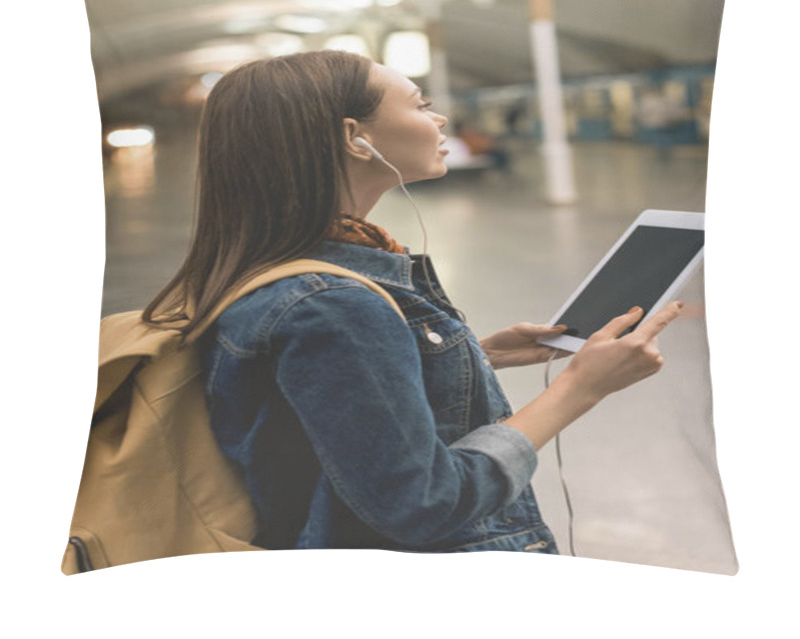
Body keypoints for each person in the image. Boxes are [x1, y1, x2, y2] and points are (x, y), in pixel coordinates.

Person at [142, 50, 682, 554]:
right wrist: (580, 388)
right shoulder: (333, 303)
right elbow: (426, 505)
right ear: (356, 138)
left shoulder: (265, 267)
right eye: (421, 105)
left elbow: (317, 403)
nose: (441, 120)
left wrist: (470, 355)